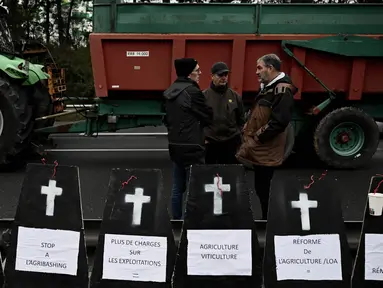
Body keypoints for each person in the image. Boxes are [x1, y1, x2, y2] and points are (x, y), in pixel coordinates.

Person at [236, 54, 297, 220]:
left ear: (270, 68)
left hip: (267, 148)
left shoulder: (282, 89)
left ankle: (269, 224)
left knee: (264, 188)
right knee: (261, 187)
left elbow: (279, 121)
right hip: (263, 148)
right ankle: (267, 221)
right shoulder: (269, 86)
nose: (256, 72)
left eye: (259, 68)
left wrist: (256, 138)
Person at [163, 58, 213, 219]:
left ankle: (176, 221)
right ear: (188, 73)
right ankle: (192, 224)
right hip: (192, 145)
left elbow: (167, 119)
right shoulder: (192, 92)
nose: (200, 73)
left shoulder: (170, 91)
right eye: (197, 70)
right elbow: (207, 116)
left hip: (175, 145)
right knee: (196, 187)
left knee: (177, 188)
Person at [203, 62, 245, 164]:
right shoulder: (204, 96)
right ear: (212, 76)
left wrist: (237, 137)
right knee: (210, 175)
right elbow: (198, 121)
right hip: (210, 144)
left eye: (226, 75)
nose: (224, 78)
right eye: (220, 75)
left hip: (229, 144)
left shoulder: (235, 96)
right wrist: (203, 138)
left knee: (228, 176)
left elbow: (241, 119)